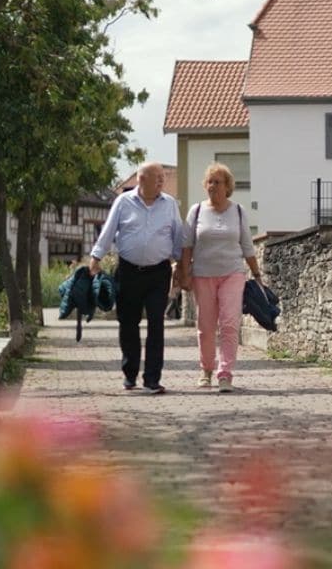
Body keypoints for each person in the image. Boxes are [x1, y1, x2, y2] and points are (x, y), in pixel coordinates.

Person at [88, 161, 183, 394]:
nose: (162, 180)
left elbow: (178, 235)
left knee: (156, 324)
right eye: (157, 176)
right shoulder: (123, 202)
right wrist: (95, 257)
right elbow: (108, 231)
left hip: (158, 273)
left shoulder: (170, 204)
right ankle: (130, 374)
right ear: (142, 179)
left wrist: (180, 265)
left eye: (162, 177)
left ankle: (152, 379)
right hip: (128, 272)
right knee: (128, 323)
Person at [176, 162, 261, 393]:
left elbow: (247, 246)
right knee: (205, 326)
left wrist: (256, 274)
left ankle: (225, 374)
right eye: (209, 182)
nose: (212, 186)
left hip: (232, 273)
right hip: (203, 275)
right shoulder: (196, 211)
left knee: (230, 324)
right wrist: (184, 273)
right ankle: (206, 370)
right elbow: (187, 245)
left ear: (227, 186)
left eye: (217, 182)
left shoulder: (238, 211)